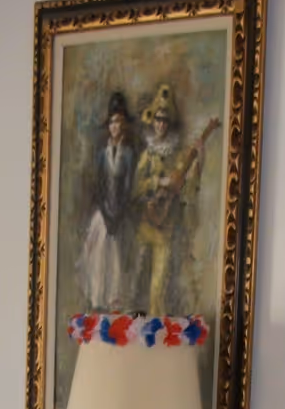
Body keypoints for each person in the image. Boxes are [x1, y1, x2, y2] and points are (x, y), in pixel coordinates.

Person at [130, 84, 217, 318]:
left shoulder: (178, 155)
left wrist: (199, 161)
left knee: (160, 286)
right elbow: (136, 187)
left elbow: (189, 188)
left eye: (164, 121)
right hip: (146, 224)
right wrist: (160, 182)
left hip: (166, 228)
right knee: (136, 279)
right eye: (157, 120)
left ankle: (155, 331)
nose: (160, 124)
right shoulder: (147, 155)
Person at [77, 91, 135, 313]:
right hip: (104, 212)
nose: (115, 127)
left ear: (124, 126)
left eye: (119, 122)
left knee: (117, 258)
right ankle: (98, 300)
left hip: (120, 214)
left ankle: (115, 302)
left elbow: (128, 188)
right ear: (108, 126)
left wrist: (117, 216)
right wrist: (106, 213)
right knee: (99, 253)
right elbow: (99, 186)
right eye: (112, 122)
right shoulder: (101, 154)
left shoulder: (128, 154)